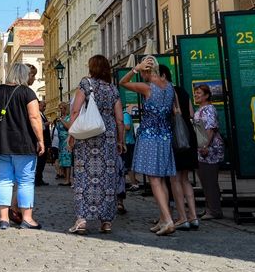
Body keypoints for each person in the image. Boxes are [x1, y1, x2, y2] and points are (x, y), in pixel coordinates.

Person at [0, 63, 44, 229]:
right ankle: (27, 219)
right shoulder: (27, 92)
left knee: (4, 180)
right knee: (25, 182)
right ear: (23, 75)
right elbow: (34, 118)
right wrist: (41, 140)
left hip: (1, 143)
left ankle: (4, 219)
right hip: (25, 144)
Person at [119, 55, 177, 236]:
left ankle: (167, 219)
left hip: (150, 136)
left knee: (154, 180)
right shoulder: (169, 88)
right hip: (165, 136)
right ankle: (162, 218)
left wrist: (135, 68)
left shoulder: (147, 88)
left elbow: (123, 82)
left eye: (143, 71)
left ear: (146, 70)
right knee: (161, 178)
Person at [67, 55, 124, 234]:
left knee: (84, 177)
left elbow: (75, 110)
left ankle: (82, 220)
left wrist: (71, 134)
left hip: (87, 137)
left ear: (92, 68)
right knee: (107, 179)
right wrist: (120, 140)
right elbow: (120, 119)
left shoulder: (86, 84)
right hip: (107, 137)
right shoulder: (113, 89)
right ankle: (106, 221)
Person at [161, 64, 199, 230]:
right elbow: (191, 113)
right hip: (188, 136)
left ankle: (182, 217)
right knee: (185, 179)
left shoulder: (167, 92)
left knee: (174, 179)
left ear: (163, 76)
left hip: (175, 137)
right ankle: (193, 216)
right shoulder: (182, 90)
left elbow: (167, 114)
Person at [193, 84, 224, 219]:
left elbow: (211, 128)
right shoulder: (201, 109)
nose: (196, 95)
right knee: (205, 180)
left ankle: (215, 210)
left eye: (199, 93)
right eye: (195, 93)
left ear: (206, 95)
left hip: (210, 149)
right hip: (202, 148)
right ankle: (209, 208)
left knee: (210, 180)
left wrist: (206, 145)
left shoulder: (209, 109)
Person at [54, 102, 72, 186]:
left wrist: (61, 120)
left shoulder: (69, 117)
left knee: (67, 160)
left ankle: (68, 179)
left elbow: (68, 127)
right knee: (62, 160)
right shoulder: (61, 117)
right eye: (59, 108)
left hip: (66, 141)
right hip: (61, 142)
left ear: (65, 108)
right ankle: (65, 178)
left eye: (61, 108)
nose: (60, 110)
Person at [34, 101, 52, 186]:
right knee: (40, 161)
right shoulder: (37, 114)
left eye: (45, 106)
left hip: (45, 141)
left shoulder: (42, 114)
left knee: (42, 161)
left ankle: (40, 178)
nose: (44, 108)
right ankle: (37, 179)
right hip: (41, 141)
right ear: (38, 106)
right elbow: (38, 127)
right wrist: (45, 124)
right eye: (43, 106)